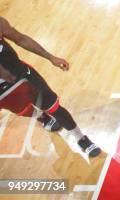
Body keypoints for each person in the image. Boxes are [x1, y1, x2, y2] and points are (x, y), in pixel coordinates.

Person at [0, 16, 101, 157]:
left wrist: (51, 57)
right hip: (3, 93)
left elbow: (21, 39)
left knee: (54, 107)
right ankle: (42, 117)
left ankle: (80, 138)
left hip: (21, 75)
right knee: (24, 110)